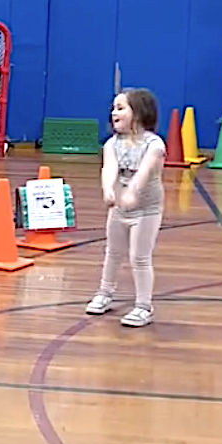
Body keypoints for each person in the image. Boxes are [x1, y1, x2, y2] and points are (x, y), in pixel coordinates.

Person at [85, 88, 166, 328]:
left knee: (139, 257)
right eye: (113, 108)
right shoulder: (112, 144)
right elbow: (108, 168)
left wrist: (132, 192)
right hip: (120, 209)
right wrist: (108, 189)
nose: (113, 113)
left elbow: (144, 173)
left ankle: (144, 306)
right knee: (113, 252)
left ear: (138, 114)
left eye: (120, 108)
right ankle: (105, 292)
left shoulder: (154, 145)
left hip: (146, 210)